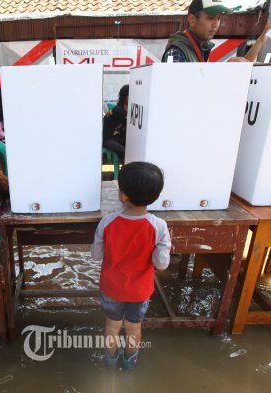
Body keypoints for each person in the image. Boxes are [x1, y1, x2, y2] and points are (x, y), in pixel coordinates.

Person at [91, 162, 170, 371]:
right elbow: (161, 264)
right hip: (140, 290)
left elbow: (95, 255)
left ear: (123, 196)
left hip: (112, 288)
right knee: (134, 327)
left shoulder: (107, 222)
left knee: (112, 325)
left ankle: (109, 361)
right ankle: (129, 362)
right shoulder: (158, 226)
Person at [161, 0, 240, 63]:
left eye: (218, 18)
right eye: (211, 18)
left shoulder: (202, 48)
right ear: (192, 20)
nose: (216, 24)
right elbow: (173, 83)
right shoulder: (176, 52)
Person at [102, 85, 129, 161]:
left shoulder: (128, 108)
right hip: (109, 139)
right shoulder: (118, 110)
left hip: (118, 137)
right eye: (130, 95)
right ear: (124, 96)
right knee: (126, 152)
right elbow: (130, 126)